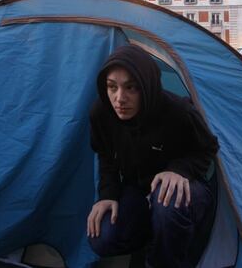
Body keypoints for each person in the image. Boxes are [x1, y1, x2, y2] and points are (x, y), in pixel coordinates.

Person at [87, 45, 219, 268]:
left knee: (167, 202)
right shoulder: (102, 113)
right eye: (112, 87)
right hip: (138, 189)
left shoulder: (178, 112)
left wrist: (179, 170)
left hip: (188, 190)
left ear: (146, 85)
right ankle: (155, 236)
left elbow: (207, 149)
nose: (119, 98)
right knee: (102, 236)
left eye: (131, 88)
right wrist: (107, 194)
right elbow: (106, 155)